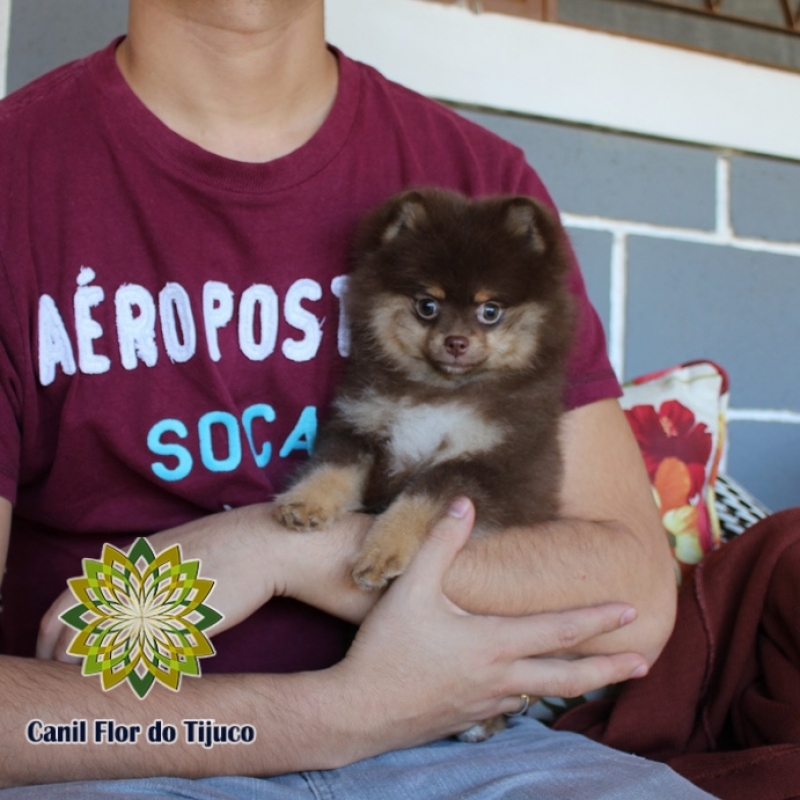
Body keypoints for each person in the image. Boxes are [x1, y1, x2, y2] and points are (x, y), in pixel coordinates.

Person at [0, 1, 714, 796]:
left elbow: (636, 597)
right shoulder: (16, 176)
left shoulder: (479, 187)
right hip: (124, 746)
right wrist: (335, 713)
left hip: (472, 746)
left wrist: (279, 550)